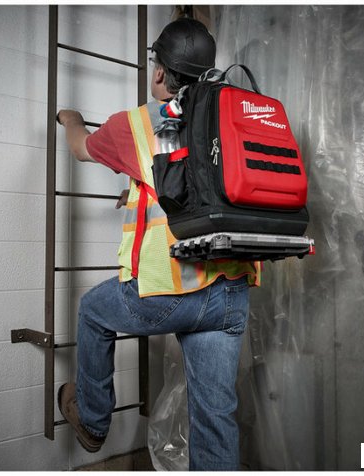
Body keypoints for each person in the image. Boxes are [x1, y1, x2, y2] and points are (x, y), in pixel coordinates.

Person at [56, 17, 260, 471]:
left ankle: (92, 420)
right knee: (215, 420)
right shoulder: (231, 113)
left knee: (92, 311)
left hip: (169, 290)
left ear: (161, 71)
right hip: (231, 291)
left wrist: (70, 119)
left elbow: (81, 147)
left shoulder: (139, 123)